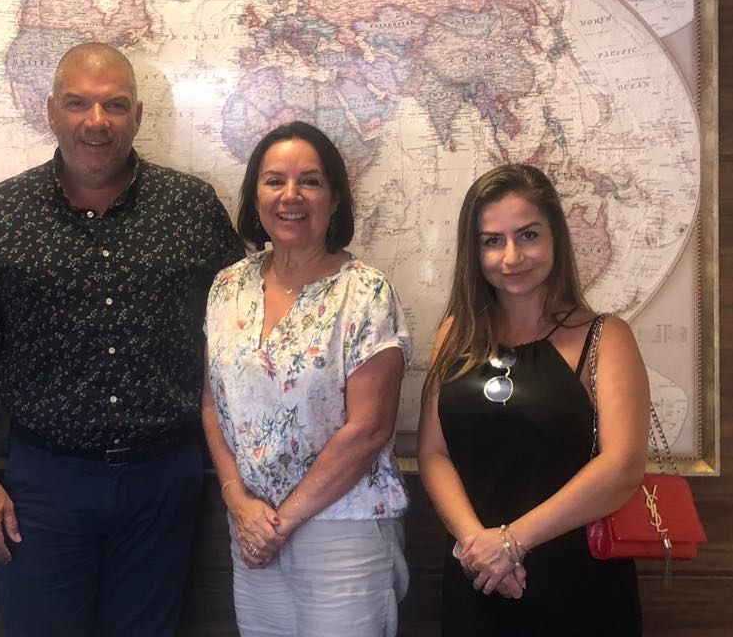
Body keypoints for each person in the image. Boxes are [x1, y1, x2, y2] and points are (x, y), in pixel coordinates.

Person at [0, 42, 242, 637]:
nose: (95, 121)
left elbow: (240, 329)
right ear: (51, 111)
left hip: (163, 480)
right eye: (77, 103)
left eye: (114, 105)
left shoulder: (191, 208)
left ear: (138, 116)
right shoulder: (2, 214)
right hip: (44, 483)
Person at [417, 163, 650, 636]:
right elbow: (434, 453)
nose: (511, 256)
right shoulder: (453, 335)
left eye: (527, 235)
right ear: (473, 251)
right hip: (477, 575)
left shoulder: (606, 337)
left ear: (555, 237)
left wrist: (512, 543)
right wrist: (479, 546)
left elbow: (622, 467)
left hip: (578, 587)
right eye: (492, 241)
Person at [202, 121, 411, 637]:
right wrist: (237, 502)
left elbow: (369, 428)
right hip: (251, 527)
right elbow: (213, 402)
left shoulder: (365, 293)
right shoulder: (228, 286)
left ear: (335, 199)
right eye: (275, 180)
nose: (290, 195)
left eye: (310, 181)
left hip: (343, 532)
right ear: (255, 196)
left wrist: (284, 521)